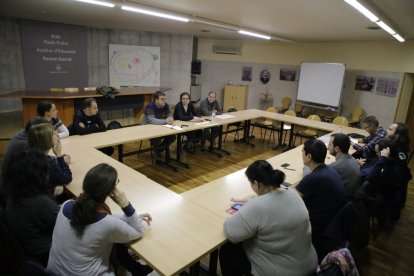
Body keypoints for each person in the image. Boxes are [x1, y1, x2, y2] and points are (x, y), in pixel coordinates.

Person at [47, 163, 153, 275]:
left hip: (53, 272)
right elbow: (138, 230)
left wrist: (128, 219)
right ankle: (137, 270)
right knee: (118, 243)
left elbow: (100, 219)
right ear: (111, 190)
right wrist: (126, 206)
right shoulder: (107, 224)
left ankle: (136, 269)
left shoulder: (66, 205)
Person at [220, 160, 317, 275]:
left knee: (227, 249)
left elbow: (230, 232)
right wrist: (253, 199)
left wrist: (247, 208)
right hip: (308, 264)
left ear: (256, 184)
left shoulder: (258, 206)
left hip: (281, 271)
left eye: (251, 183)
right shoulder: (292, 193)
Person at [5, 149, 60, 266]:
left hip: (28, 248)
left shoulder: (13, 195)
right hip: (46, 252)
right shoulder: (41, 203)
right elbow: (66, 223)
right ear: (38, 176)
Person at [296, 139, 347, 259]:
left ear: (308, 156)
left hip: (317, 227)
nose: (301, 154)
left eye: (302, 152)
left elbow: (291, 201)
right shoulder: (330, 170)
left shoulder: (313, 179)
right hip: (332, 223)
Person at [0, 117, 49, 208]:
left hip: (14, 189)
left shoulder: (22, 136)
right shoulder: (24, 145)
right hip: (13, 196)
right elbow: (38, 170)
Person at [364, 139, 411, 228]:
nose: (377, 155)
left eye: (378, 153)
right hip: (390, 194)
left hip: (382, 198)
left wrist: (382, 158)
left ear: (386, 153)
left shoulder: (391, 169)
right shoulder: (396, 160)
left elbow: (371, 177)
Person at [28, 123, 72, 196]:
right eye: (54, 134)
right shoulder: (49, 162)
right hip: (44, 202)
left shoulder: (30, 155)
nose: (57, 135)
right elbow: (67, 178)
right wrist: (59, 156)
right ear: (46, 140)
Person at [143, 91, 176, 159]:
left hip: (160, 126)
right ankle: (158, 153)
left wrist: (170, 119)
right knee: (156, 137)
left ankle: (158, 149)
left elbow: (170, 115)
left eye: (164, 99)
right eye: (162, 99)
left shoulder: (165, 105)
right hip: (147, 128)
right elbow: (152, 120)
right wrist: (165, 121)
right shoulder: (150, 106)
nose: (164, 101)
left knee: (172, 136)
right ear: (156, 99)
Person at [328, 133, 361, 199]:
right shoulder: (352, 158)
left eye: (330, 144)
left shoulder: (336, 166)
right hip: (352, 200)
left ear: (337, 149)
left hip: (341, 201)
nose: (328, 146)